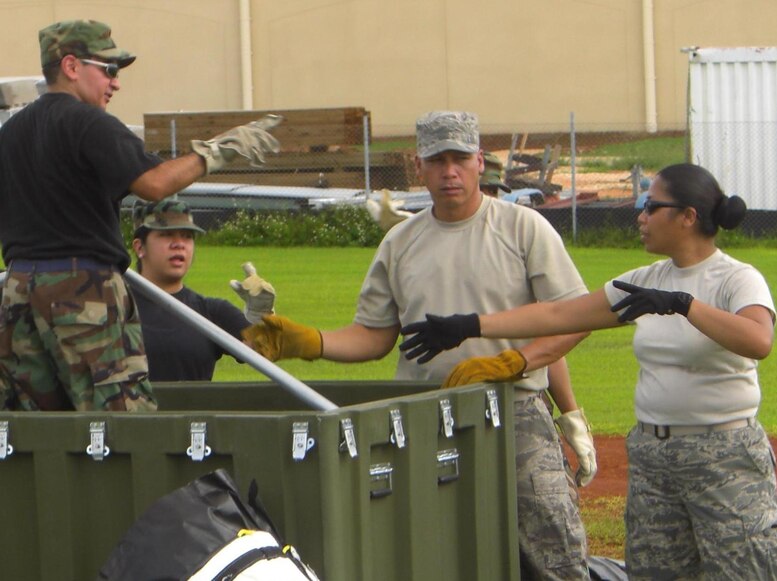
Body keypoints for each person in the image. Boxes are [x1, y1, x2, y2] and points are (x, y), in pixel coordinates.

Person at [244, 111, 593, 579]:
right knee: (429, 548)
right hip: (423, 416)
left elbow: (576, 318)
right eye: (438, 160)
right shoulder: (400, 242)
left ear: (480, 162)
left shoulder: (522, 228)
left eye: (460, 159)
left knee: (552, 546)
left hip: (514, 410)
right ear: (419, 166)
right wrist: (309, 341)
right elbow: (373, 336)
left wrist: (516, 361)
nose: (450, 171)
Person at [399, 163, 777, 579]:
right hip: (654, 457)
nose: (641, 216)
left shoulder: (737, 279)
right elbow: (560, 314)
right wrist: (470, 325)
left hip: (723, 456)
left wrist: (684, 305)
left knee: (745, 571)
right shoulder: (644, 281)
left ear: (688, 216)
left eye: (651, 207)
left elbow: (757, 340)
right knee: (656, 572)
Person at [0, 19, 280, 411]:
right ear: (71, 67)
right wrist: (216, 152)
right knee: (123, 422)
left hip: (17, 291)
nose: (115, 83)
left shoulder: (11, 133)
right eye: (108, 70)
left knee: (33, 429)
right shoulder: (88, 122)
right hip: (81, 291)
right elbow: (153, 184)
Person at [479, 150, 595, 502]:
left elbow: (550, 342)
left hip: (519, 401)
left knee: (547, 507)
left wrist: (571, 415)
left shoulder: (517, 237)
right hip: (447, 400)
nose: (487, 200)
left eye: (492, 192)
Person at [131, 200, 275, 382]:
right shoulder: (114, 308)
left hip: (193, 410)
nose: (179, 244)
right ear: (139, 247)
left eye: (187, 236)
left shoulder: (211, 312)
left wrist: (261, 317)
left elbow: (265, 349)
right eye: (166, 235)